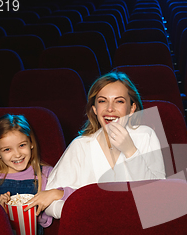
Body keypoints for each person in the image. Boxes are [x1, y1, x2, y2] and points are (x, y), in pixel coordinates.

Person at [44, 71, 166, 219]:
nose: (110, 108)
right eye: (102, 101)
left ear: (132, 108)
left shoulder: (145, 136)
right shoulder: (80, 145)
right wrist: (85, 214)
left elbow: (157, 196)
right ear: (95, 109)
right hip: (92, 232)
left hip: (138, 230)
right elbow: (48, 201)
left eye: (119, 101)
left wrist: (130, 151)